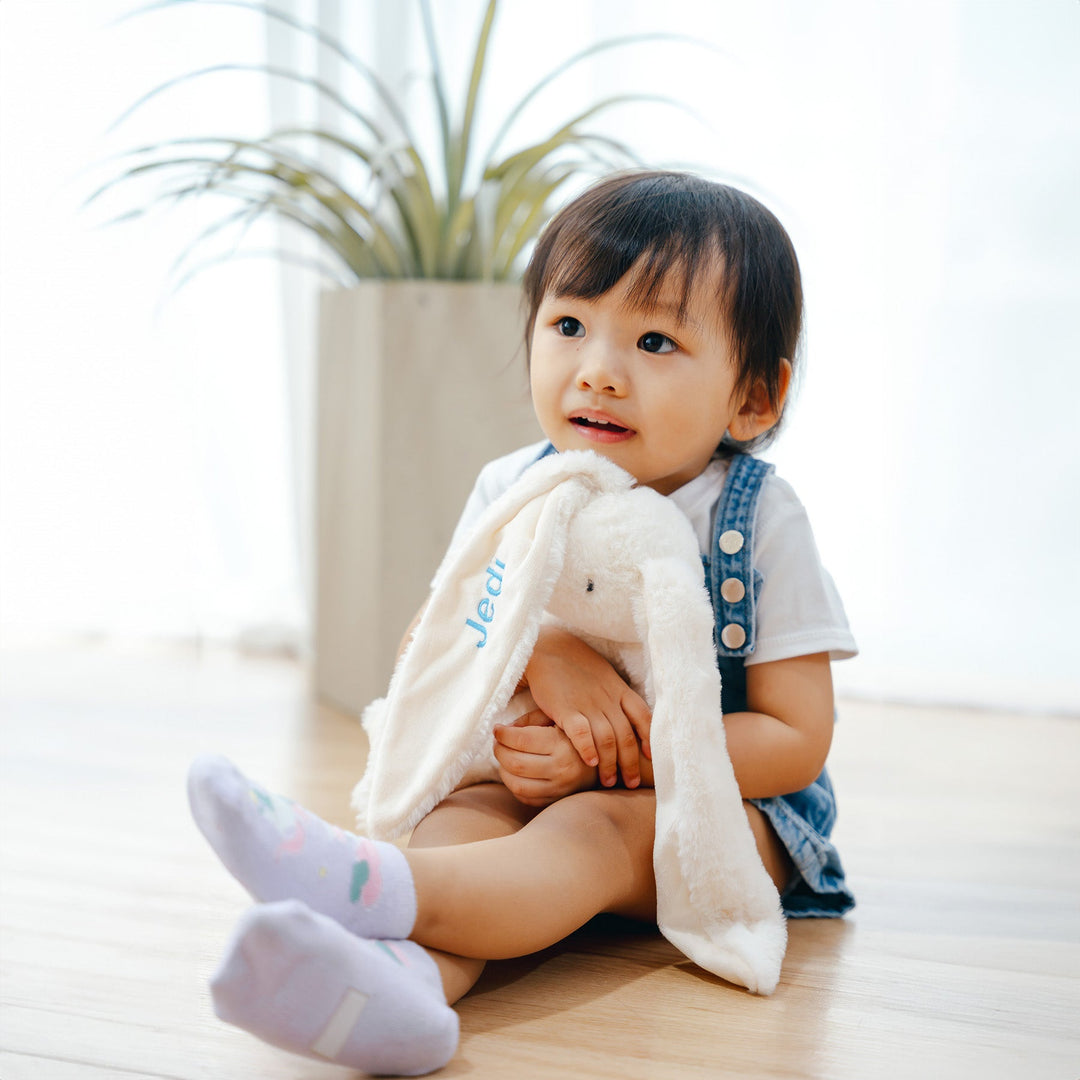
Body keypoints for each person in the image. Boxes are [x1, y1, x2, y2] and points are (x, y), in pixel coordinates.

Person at [187, 170, 857, 1075]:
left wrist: (613, 758)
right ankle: (401, 995)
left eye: (655, 340)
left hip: (728, 813)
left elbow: (797, 739)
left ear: (753, 398)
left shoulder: (754, 518)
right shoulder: (515, 489)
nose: (599, 370)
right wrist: (542, 650)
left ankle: (361, 886)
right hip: (539, 778)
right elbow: (434, 647)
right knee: (463, 818)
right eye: (569, 325)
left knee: (596, 834)